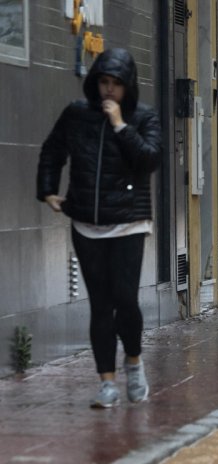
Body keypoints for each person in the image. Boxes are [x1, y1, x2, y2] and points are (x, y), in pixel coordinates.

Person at [37, 48, 162, 408]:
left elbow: (149, 160)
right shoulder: (77, 115)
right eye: (104, 83)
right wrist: (47, 190)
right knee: (100, 305)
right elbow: (52, 150)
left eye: (116, 85)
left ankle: (134, 363)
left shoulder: (143, 116)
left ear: (128, 87)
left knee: (125, 299)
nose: (109, 91)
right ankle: (106, 382)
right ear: (95, 83)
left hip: (129, 223)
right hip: (86, 224)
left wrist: (121, 125)